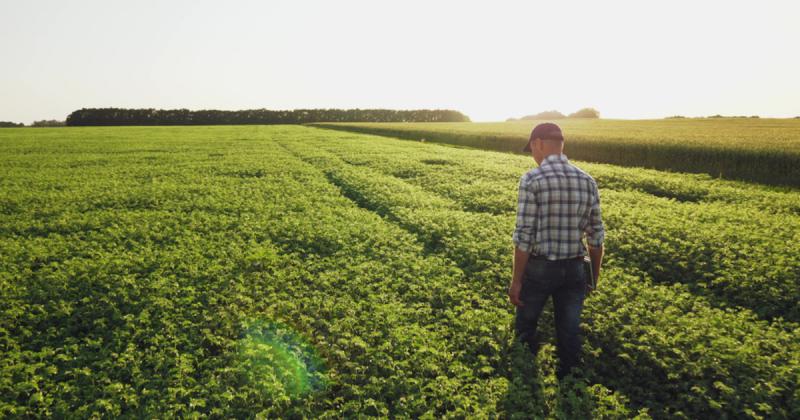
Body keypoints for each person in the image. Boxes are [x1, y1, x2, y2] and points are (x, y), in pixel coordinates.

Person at [507, 122, 605, 380]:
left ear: (538, 143)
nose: (533, 155)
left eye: (531, 149)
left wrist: (516, 281)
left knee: (526, 325)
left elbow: (524, 235)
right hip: (575, 269)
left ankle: (524, 379)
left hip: (540, 268)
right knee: (569, 331)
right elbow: (596, 238)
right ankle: (568, 382)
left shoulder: (532, 179)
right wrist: (592, 278)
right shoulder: (587, 181)